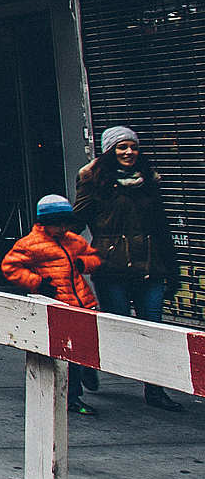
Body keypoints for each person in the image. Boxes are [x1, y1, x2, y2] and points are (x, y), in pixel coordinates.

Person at [75, 125, 185, 413]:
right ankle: (88, 362)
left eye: (133, 147)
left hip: (151, 267)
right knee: (118, 326)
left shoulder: (149, 180)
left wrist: (172, 269)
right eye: (121, 147)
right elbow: (78, 219)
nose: (129, 152)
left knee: (153, 330)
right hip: (112, 268)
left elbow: (162, 228)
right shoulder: (93, 180)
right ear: (110, 150)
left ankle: (156, 390)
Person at [1, 194, 102, 417]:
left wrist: (83, 263)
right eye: (58, 223)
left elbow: (93, 258)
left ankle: (86, 371)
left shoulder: (74, 241)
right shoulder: (29, 245)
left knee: (84, 348)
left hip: (81, 303)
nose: (63, 228)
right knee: (67, 356)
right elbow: (10, 267)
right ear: (44, 222)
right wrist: (37, 283)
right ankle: (73, 397)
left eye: (66, 223)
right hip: (56, 306)